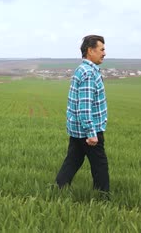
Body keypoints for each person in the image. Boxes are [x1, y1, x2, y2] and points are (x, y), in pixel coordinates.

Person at [55, 34, 109, 197]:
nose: (104, 53)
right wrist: (92, 133)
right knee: (100, 165)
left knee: (73, 160)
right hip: (88, 131)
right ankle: (103, 198)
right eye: (101, 49)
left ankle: (58, 190)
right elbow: (85, 107)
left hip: (77, 129)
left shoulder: (82, 69)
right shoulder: (89, 74)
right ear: (90, 51)